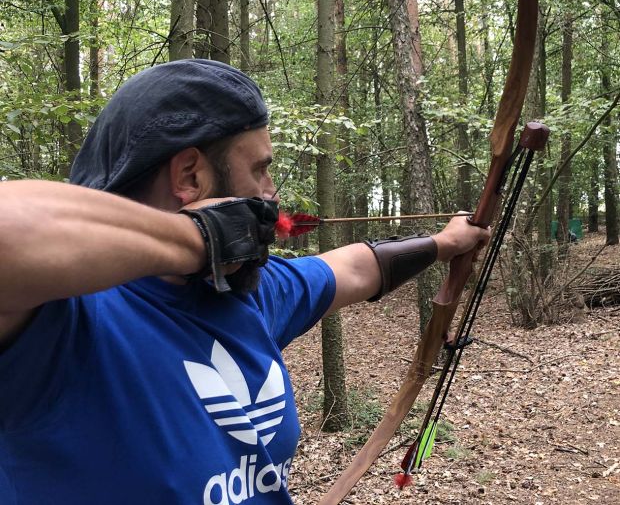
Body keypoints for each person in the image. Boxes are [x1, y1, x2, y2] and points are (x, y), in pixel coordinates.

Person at [0, 60, 489, 504]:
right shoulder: (62, 320)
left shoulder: (250, 295)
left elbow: (355, 268)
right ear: (190, 176)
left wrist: (445, 244)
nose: (270, 194)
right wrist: (201, 238)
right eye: (259, 170)